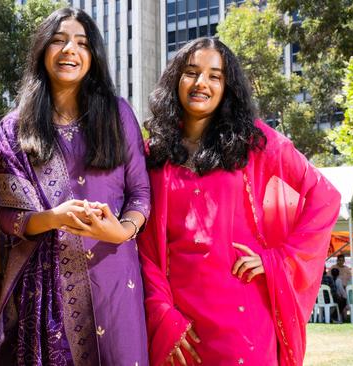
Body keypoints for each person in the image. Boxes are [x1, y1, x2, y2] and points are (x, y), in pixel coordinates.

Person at [138, 37, 340, 366]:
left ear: (227, 87)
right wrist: (163, 315)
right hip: (180, 329)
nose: (201, 83)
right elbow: (143, 246)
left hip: (244, 324)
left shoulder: (254, 143)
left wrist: (280, 258)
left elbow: (324, 197)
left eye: (215, 76)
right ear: (176, 79)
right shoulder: (154, 153)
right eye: (191, 72)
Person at [0, 7, 150, 365]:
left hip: (114, 279)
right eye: (58, 40)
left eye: (82, 43)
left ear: (93, 57)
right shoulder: (16, 128)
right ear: (42, 51)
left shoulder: (118, 115)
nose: (69, 50)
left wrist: (122, 231)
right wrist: (54, 217)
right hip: (45, 287)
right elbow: (5, 214)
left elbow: (141, 193)